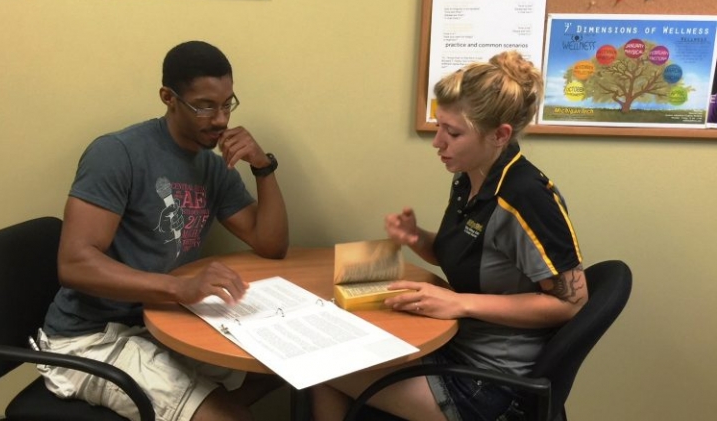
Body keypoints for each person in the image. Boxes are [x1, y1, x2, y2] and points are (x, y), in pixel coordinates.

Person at [311, 51, 588, 421]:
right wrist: (417, 238)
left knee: (319, 369)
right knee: (335, 347)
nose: (437, 142)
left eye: (453, 133)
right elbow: (471, 259)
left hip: (492, 380)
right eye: (439, 126)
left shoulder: (525, 197)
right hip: (457, 343)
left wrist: (460, 304)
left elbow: (570, 303)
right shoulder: (469, 177)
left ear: (499, 135)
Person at [37, 41, 289, 421]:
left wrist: (262, 166)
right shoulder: (117, 153)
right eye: (204, 105)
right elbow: (74, 265)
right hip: (90, 339)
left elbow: (270, 245)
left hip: (162, 325)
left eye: (227, 104)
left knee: (289, 366)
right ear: (168, 98)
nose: (220, 119)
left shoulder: (211, 163)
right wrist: (178, 288)